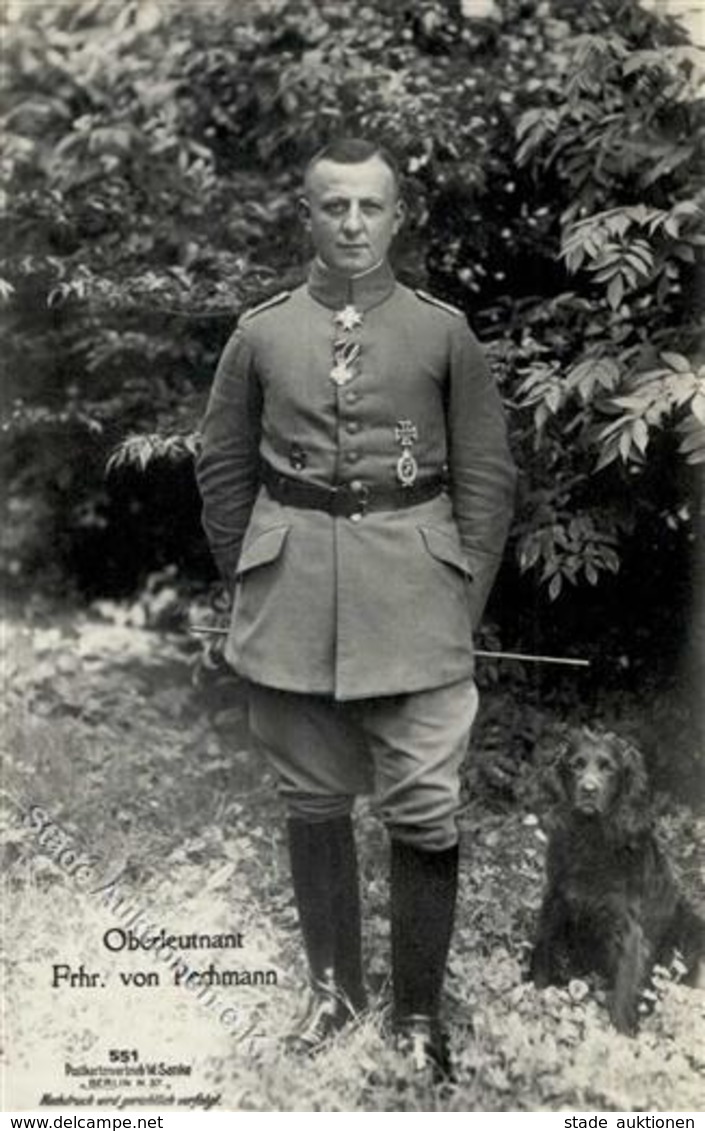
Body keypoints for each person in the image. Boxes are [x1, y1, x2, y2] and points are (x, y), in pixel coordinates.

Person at [195, 137, 516, 1077]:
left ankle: (418, 1016)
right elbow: (222, 467)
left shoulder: (439, 332)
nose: (350, 224)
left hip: (418, 601)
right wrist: (255, 573)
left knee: (424, 805)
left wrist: (460, 598)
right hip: (289, 598)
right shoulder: (261, 333)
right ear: (307, 214)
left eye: (369, 207)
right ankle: (333, 1000)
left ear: (396, 217)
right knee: (312, 796)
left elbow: (486, 477)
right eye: (333, 206)